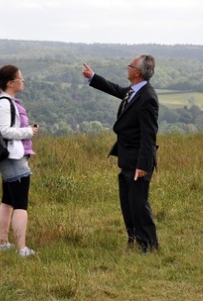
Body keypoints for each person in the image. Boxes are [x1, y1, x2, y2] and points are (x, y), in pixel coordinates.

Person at [82, 54, 159, 253]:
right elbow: (115, 89)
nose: (127, 68)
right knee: (128, 203)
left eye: (130, 65)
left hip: (138, 162)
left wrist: (143, 165)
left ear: (137, 72)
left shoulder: (147, 98)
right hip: (126, 158)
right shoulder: (133, 92)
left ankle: (148, 245)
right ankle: (133, 240)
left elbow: (149, 135)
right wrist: (93, 77)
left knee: (139, 203)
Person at [0, 65, 39, 257]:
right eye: (20, 78)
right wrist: (28, 132)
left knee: (7, 201)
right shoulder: (5, 103)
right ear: (10, 83)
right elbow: (4, 131)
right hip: (13, 159)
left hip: (9, 157)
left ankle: (3, 243)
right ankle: (21, 248)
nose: (23, 81)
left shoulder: (2, 102)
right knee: (21, 205)